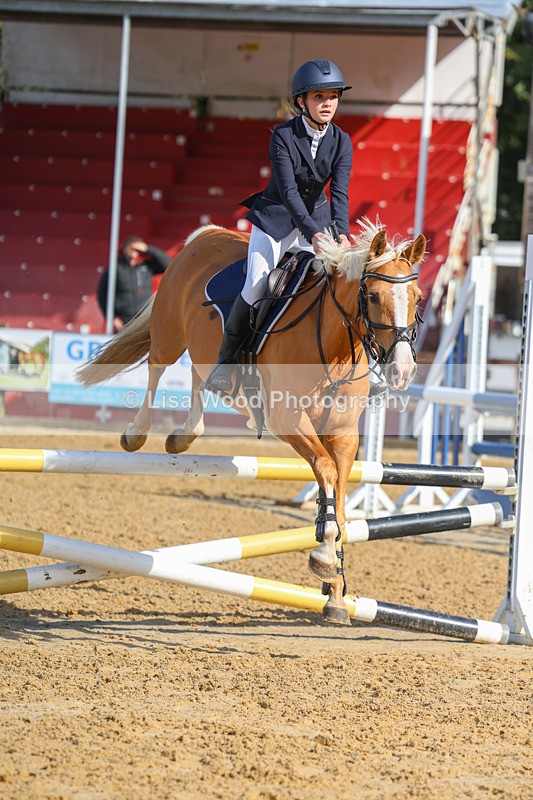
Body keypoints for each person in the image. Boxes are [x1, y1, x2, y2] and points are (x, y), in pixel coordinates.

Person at [205, 58, 353, 394]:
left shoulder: (343, 142)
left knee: (336, 284)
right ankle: (226, 364)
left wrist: (340, 232)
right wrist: (313, 233)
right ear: (302, 101)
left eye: (333, 96)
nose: (327, 103)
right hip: (275, 222)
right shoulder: (283, 136)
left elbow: (340, 194)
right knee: (257, 286)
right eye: (319, 96)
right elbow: (287, 193)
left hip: (317, 219)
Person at [96, 236, 171, 331]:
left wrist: (149, 249)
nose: (134, 250)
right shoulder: (116, 267)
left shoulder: (146, 265)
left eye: (137, 248)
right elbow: (102, 293)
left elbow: (169, 265)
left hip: (145, 318)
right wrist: (112, 317)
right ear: (124, 249)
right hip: (123, 322)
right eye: (131, 247)